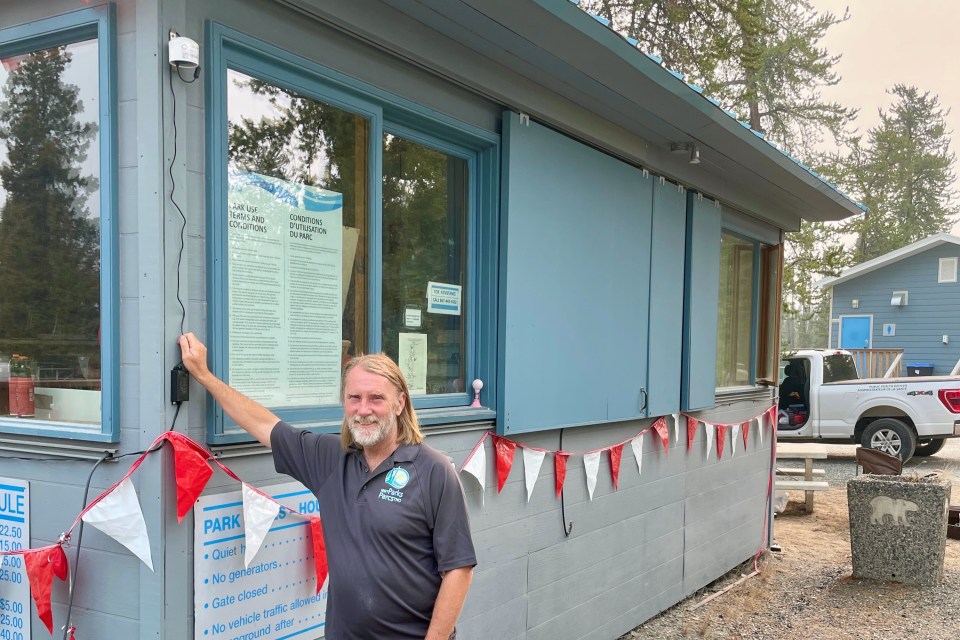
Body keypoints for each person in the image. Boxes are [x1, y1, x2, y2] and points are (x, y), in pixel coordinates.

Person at [178, 332, 476, 640]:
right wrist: (204, 375)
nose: (363, 410)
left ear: (400, 403)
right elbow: (265, 425)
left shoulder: (433, 471)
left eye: (376, 398)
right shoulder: (331, 458)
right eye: (354, 398)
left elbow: (458, 569)